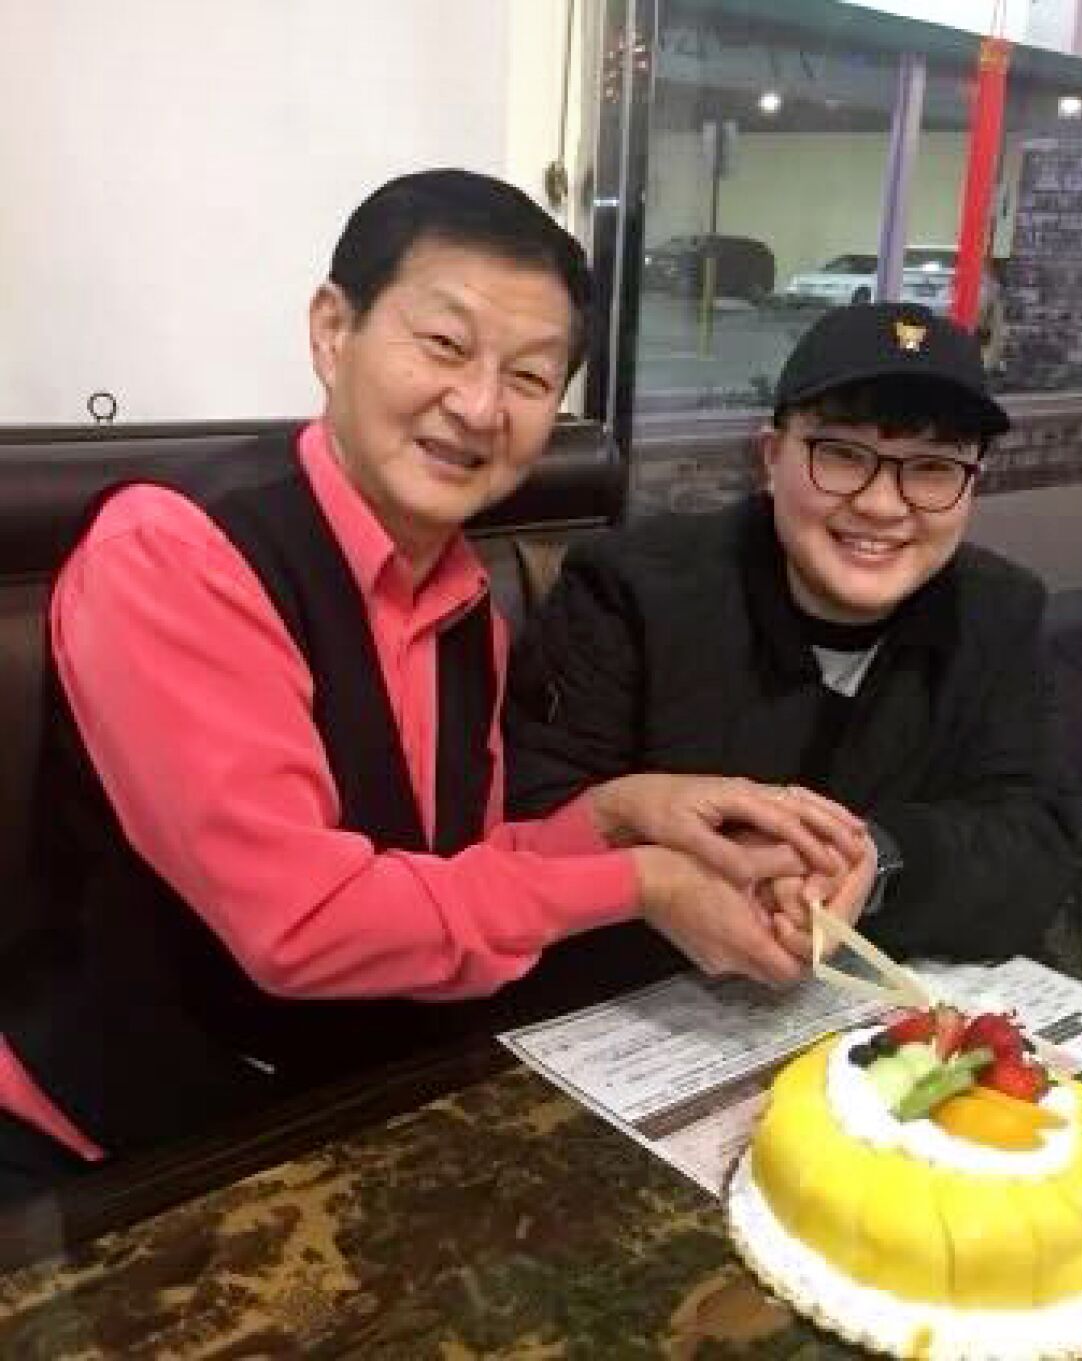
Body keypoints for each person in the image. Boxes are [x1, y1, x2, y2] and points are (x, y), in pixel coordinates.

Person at [0, 171, 867, 1200]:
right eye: (445, 345)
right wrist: (639, 884)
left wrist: (634, 817)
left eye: (532, 376)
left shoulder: (460, 600)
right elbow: (303, 919)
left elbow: (450, 871)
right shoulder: (179, 553)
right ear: (334, 330)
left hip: (333, 1112)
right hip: (116, 1156)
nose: (478, 405)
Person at [506, 301, 1082, 963]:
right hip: (643, 1007)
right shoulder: (628, 591)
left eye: (932, 467)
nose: (880, 504)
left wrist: (882, 861)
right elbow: (533, 823)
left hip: (866, 1023)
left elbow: (1040, 838)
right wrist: (666, 883)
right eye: (841, 454)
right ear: (772, 456)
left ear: (972, 483)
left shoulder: (999, 609)